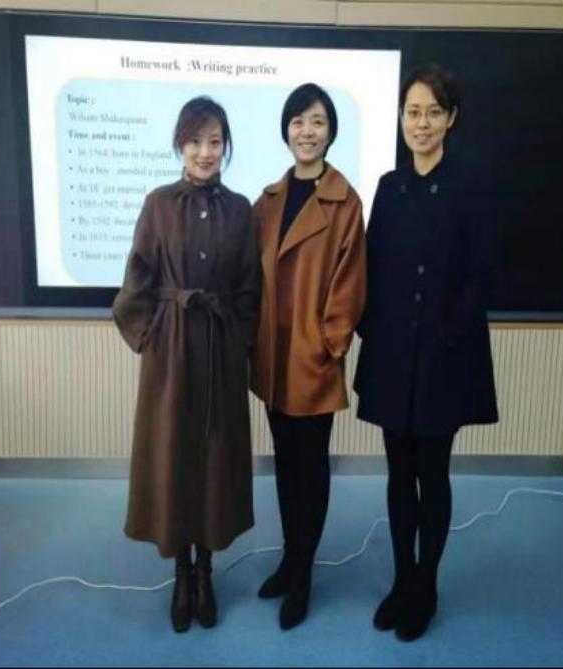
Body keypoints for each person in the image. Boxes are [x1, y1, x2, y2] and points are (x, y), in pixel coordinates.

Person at [354, 64, 499, 641]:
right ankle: (401, 580)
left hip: (445, 357)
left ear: (451, 119)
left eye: (433, 113)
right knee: (398, 474)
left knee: (432, 475)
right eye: (413, 112)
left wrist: (444, 335)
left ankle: (427, 587)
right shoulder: (389, 187)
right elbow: (372, 267)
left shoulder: (471, 186)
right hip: (393, 356)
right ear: (400, 117)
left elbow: (482, 276)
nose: (421, 123)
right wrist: (371, 332)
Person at [112, 97, 261, 633]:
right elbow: (137, 279)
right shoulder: (157, 204)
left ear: (225, 147)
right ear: (180, 144)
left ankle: (206, 572)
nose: (205, 152)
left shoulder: (241, 210)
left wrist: (237, 343)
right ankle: (180, 573)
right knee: (174, 456)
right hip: (170, 356)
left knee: (214, 460)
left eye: (215, 141)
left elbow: (250, 289)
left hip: (219, 351)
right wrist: (151, 337)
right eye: (195, 141)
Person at [251, 83, 366, 630]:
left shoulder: (345, 201)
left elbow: (350, 284)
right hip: (272, 359)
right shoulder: (268, 201)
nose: (307, 131)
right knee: (284, 466)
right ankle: (288, 558)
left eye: (317, 121)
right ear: (286, 130)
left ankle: (302, 575)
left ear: (331, 131)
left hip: (312, 359)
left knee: (311, 467)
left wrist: (330, 344)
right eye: (298, 121)